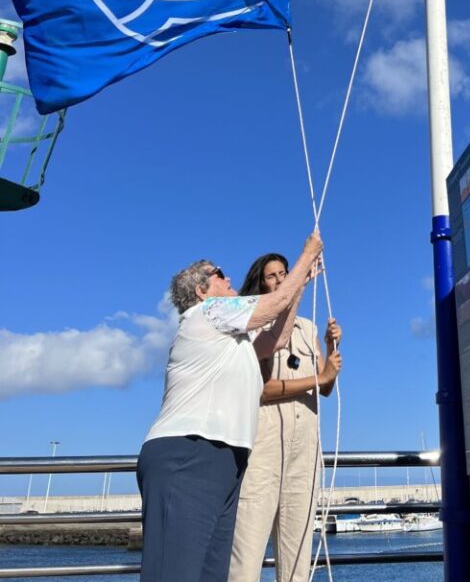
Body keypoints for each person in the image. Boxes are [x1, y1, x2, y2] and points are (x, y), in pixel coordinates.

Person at [136, 230, 323, 582]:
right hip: (188, 453)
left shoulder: (230, 335)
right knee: (174, 574)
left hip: (225, 458)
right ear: (200, 290)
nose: (229, 277)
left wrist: (298, 286)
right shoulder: (209, 312)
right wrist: (308, 253)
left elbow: (276, 338)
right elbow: (274, 303)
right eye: (220, 273)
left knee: (211, 574)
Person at [228, 253, 343, 582]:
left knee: (298, 556)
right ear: (260, 283)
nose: (279, 280)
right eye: (271, 276)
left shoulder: (307, 328)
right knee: (246, 552)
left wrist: (328, 347)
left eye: (283, 274)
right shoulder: (253, 326)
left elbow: (326, 389)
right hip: (263, 448)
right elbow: (260, 389)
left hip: (304, 451)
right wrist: (319, 379)